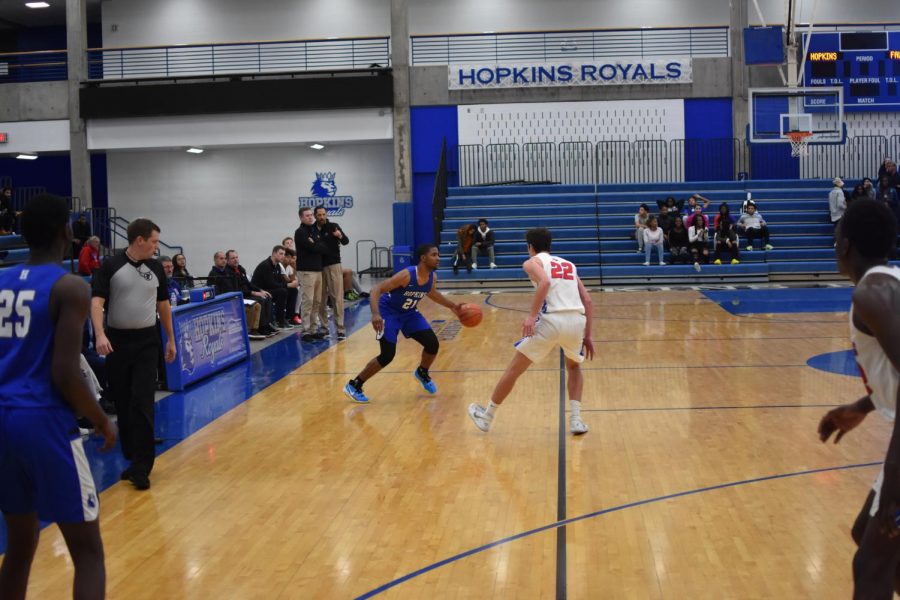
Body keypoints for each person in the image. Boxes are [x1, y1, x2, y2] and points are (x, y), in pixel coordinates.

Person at [0, 193, 117, 600]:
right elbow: (64, 372)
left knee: (19, 544)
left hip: (3, 421)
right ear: (67, 232)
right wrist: (100, 418)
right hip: (43, 420)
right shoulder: (69, 286)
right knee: (87, 552)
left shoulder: (0, 281)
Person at [816, 199, 900, 599]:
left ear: (845, 245)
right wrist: (862, 406)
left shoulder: (873, 293)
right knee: (866, 534)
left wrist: (895, 489)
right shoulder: (885, 286)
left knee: (872, 564)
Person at [467, 227, 594, 434]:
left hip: (552, 321)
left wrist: (531, 316)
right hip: (576, 321)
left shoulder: (531, 262)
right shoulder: (569, 265)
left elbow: (544, 282)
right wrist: (588, 335)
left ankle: (486, 416)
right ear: (550, 245)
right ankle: (576, 420)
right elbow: (587, 300)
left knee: (514, 370)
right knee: (574, 368)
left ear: (530, 247)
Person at [91, 218, 176, 491]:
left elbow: (163, 304)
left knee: (142, 401)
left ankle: (142, 466)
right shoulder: (111, 266)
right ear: (139, 240)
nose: (156, 246)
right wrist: (100, 334)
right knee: (124, 402)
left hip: (147, 341)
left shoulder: (155, 268)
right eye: (153, 241)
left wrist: (170, 338)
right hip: (118, 341)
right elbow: (97, 302)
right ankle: (132, 458)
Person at [343, 244, 463, 404]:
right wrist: (375, 313)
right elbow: (376, 289)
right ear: (423, 258)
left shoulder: (432, 277)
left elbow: (432, 293)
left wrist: (452, 306)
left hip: (409, 313)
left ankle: (422, 372)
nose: (438, 258)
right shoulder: (407, 275)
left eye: (438, 255)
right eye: (434, 254)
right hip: (387, 313)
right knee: (387, 355)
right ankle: (354, 385)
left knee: (432, 344)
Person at [314, 206, 350, 340]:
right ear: (315, 216)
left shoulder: (333, 226)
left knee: (337, 297)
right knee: (320, 299)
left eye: (323, 214)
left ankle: (340, 329)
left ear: (326, 215)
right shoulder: (312, 229)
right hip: (318, 267)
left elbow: (346, 241)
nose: (322, 217)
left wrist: (339, 235)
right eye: (319, 215)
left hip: (333, 264)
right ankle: (324, 328)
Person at [295, 207, 329, 342]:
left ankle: (314, 329)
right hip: (307, 270)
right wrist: (316, 245)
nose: (310, 217)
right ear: (301, 218)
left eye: (311, 215)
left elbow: (323, 247)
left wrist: (316, 244)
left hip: (318, 269)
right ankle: (305, 330)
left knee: (317, 301)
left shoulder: (314, 230)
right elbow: (312, 248)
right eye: (307, 216)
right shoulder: (300, 232)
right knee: (308, 300)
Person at [251, 246, 291, 329]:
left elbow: (280, 281)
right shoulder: (266, 265)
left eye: (284, 254)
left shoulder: (277, 266)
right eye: (281, 253)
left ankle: (290, 317)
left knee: (292, 290)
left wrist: (289, 284)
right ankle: (279, 320)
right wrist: (287, 285)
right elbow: (270, 283)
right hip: (260, 290)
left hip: (269, 289)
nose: (283, 256)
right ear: (274, 253)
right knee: (282, 291)